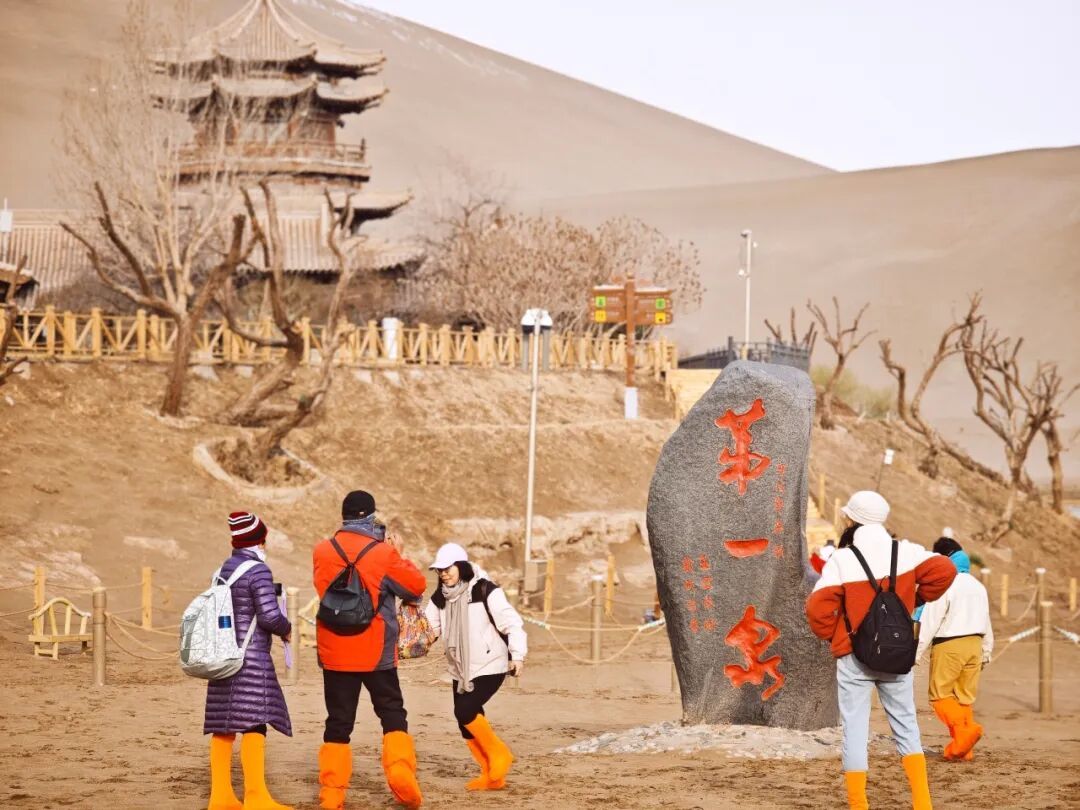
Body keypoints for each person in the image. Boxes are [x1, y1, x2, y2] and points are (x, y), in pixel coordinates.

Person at [805, 491, 957, 810]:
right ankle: (922, 803)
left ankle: (859, 804)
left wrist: (835, 635)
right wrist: (912, 601)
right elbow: (946, 570)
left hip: (853, 656)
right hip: (897, 651)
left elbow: (817, 607)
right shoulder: (906, 552)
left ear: (851, 519)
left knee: (855, 729)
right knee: (907, 726)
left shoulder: (844, 559)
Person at [313, 491, 427, 810]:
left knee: (338, 721)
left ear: (344, 516)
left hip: (335, 650)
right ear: (372, 516)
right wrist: (397, 553)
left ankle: (332, 794)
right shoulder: (383, 553)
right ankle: (401, 773)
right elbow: (415, 586)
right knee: (392, 712)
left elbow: (325, 589)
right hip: (375, 650)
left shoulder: (322, 550)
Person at [205, 511, 293, 810]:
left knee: (224, 724)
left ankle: (220, 798)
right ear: (259, 540)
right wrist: (287, 628)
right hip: (251, 658)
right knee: (255, 723)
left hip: (222, 655)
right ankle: (256, 798)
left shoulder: (221, 570)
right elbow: (269, 616)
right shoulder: (258, 571)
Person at [423, 543, 527, 791]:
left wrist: (517, 655)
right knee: (464, 721)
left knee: (465, 710)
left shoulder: (485, 590)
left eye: (448, 569)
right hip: (460, 668)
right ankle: (492, 776)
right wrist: (414, 643)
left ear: (461, 566)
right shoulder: (440, 597)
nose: (443, 574)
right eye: (439, 570)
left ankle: (499, 753)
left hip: (491, 664)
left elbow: (512, 623)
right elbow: (431, 629)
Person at [915, 537, 994, 761]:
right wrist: (986, 650)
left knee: (940, 697)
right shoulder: (978, 586)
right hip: (975, 643)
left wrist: (915, 652)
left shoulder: (946, 582)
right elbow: (987, 620)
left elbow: (931, 620)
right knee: (963, 699)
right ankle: (963, 750)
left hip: (950, 644)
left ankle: (967, 732)